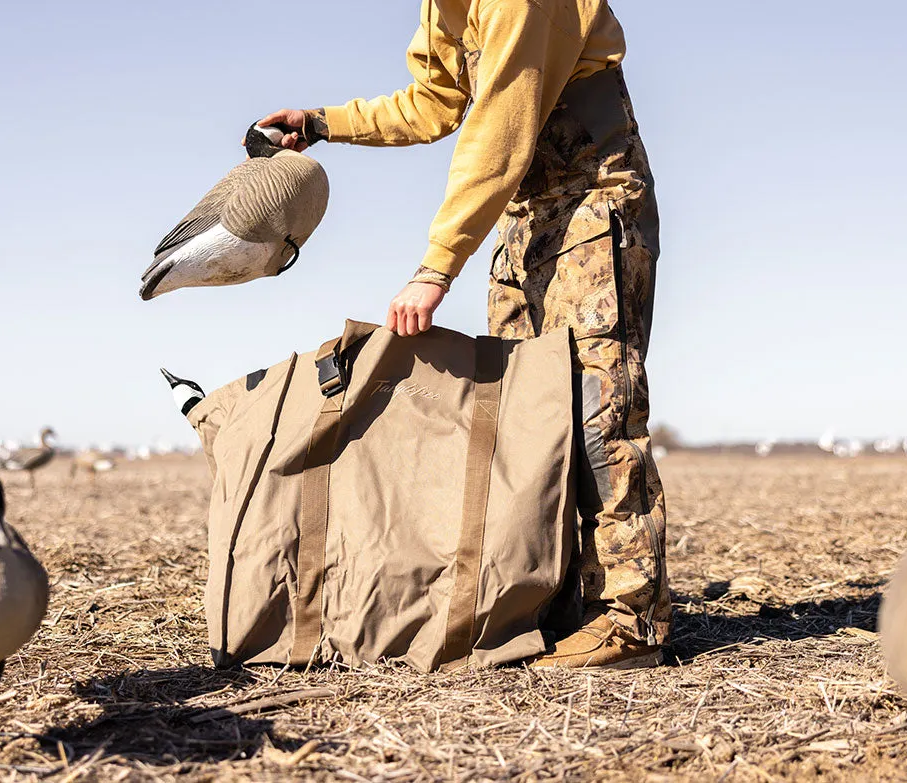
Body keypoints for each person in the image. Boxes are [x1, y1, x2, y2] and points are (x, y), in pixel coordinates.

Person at [259, 0, 670, 668]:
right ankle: (553, 602)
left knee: (598, 411)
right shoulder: (442, 7)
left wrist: (435, 268)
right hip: (524, 216)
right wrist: (322, 123)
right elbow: (432, 102)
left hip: (593, 199)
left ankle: (630, 617)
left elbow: (499, 130)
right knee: (530, 415)